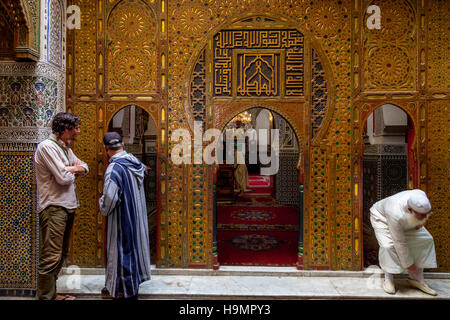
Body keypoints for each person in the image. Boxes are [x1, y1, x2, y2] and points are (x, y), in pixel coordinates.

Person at [34, 112, 89, 300]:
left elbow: (84, 166)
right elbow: (64, 179)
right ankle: (44, 297)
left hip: (67, 207)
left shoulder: (64, 148)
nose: (78, 132)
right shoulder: (47, 147)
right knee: (50, 256)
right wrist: (72, 171)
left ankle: (52, 294)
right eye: (76, 128)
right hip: (53, 207)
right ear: (66, 129)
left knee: (60, 254)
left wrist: (72, 168)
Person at [99, 132, 151, 300]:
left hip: (123, 218)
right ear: (122, 145)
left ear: (106, 149)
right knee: (132, 250)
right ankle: (125, 286)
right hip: (136, 216)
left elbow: (110, 198)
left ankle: (127, 291)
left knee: (122, 251)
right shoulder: (135, 162)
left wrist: (102, 206)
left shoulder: (115, 168)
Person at [369, 189, 438, 295]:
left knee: (425, 240)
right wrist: (409, 265)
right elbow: (399, 242)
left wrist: (420, 220)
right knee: (388, 246)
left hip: (406, 218)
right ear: (410, 209)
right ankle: (388, 279)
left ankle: (417, 279)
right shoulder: (395, 213)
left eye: (426, 214)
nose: (425, 218)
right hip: (381, 217)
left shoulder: (421, 196)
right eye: (422, 215)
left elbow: (423, 214)